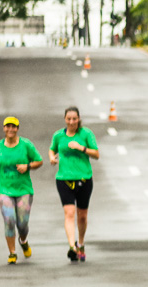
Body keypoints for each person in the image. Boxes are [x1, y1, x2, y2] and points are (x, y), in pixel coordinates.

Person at [0, 116, 43, 264]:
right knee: (9, 220)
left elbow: (39, 161)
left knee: (22, 224)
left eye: (13, 127)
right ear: (4, 128)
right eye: (7, 126)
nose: (10, 129)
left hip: (24, 189)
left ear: (17, 129)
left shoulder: (26, 145)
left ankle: (23, 241)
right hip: (5, 190)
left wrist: (28, 167)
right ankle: (12, 253)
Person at [49, 106, 99, 262]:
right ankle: (72, 246)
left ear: (79, 119)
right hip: (64, 179)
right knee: (69, 213)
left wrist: (81, 148)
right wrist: (52, 157)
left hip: (84, 179)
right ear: (65, 119)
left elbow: (96, 154)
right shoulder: (58, 135)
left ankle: (81, 243)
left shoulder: (86, 134)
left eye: (74, 119)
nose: (71, 122)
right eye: (69, 119)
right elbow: (52, 149)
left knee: (82, 216)